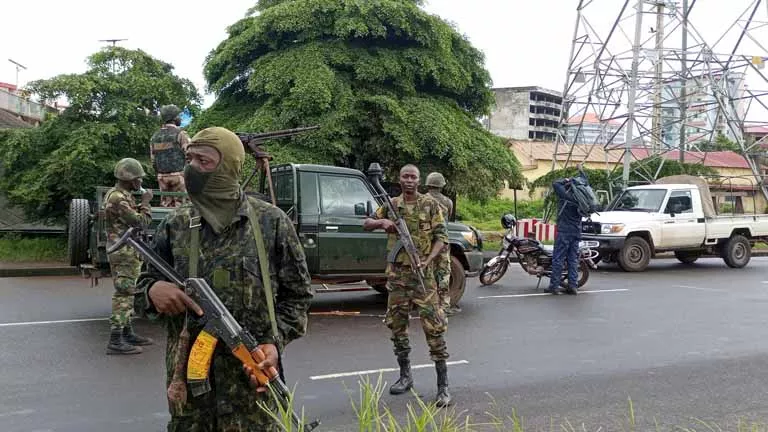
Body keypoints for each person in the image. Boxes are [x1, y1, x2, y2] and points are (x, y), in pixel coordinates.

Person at [135, 126, 313, 431]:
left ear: (228, 166)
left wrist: (274, 342)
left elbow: (298, 297)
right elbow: (140, 291)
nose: (192, 169)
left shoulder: (271, 223)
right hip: (191, 397)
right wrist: (153, 291)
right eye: (189, 159)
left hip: (252, 389)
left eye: (204, 161)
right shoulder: (176, 225)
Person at [363, 164, 452, 407]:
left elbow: (442, 238)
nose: (409, 180)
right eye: (405, 176)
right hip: (398, 278)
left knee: (434, 328)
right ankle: (405, 376)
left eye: (413, 177)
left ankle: (443, 386)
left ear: (419, 180)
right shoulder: (392, 205)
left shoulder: (430, 205)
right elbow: (366, 223)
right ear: (400, 180)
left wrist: (427, 260)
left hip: (423, 278)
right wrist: (383, 224)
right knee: (397, 326)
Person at [104, 157, 154, 355]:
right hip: (123, 251)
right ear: (130, 179)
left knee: (128, 292)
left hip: (123, 249)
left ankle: (127, 332)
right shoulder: (119, 198)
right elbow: (140, 222)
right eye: (138, 179)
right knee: (124, 294)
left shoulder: (120, 195)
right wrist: (146, 203)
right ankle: (115, 340)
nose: (140, 182)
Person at [546, 165, 589, 295]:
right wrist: (581, 172)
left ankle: (554, 286)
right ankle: (573, 286)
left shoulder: (566, 195)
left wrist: (567, 179)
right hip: (576, 231)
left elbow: (555, 183)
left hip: (564, 231)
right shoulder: (581, 198)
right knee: (572, 259)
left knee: (558, 258)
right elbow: (585, 180)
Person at [424, 171, 459, 316]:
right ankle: (444, 306)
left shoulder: (422, 200)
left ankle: (429, 305)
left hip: (427, 243)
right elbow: (447, 220)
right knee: (444, 274)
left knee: (428, 273)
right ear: (441, 185)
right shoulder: (448, 202)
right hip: (442, 242)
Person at [149, 104, 190, 208]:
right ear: (174, 118)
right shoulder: (181, 134)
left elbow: (153, 160)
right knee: (181, 207)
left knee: (166, 207)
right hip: (179, 176)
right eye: (179, 115)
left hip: (162, 177)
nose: (180, 118)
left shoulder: (155, 137)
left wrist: (160, 173)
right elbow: (190, 154)